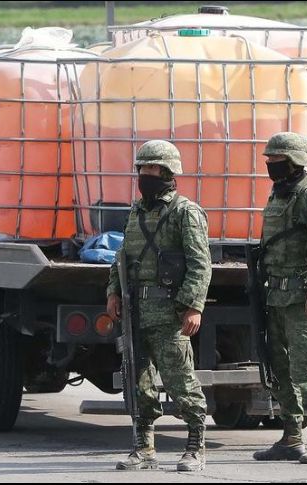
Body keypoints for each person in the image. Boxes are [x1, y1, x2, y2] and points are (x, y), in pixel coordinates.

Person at [107, 140, 212, 472]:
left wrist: (193, 306)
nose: (146, 174)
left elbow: (200, 265)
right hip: (136, 312)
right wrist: (112, 291)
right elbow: (122, 257)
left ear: (168, 172)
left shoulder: (185, 212)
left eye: (152, 168)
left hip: (169, 312)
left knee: (180, 380)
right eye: (142, 168)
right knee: (139, 382)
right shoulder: (136, 212)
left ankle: (195, 446)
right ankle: (144, 448)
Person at [253, 132, 307, 464]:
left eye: (277, 160)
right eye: (269, 160)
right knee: (279, 369)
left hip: (302, 299)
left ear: (294, 162)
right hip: (275, 296)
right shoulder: (278, 195)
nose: (271, 165)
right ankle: (291, 437)